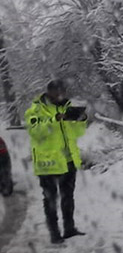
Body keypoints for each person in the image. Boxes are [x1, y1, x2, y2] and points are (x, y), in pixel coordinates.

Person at [25, 79, 87, 244]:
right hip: (48, 162)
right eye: (57, 92)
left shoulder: (67, 107)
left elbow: (78, 133)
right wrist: (55, 119)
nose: (61, 95)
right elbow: (35, 132)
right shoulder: (36, 109)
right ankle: (54, 233)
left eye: (63, 91)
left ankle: (69, 228)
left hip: (68, 159)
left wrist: (80, 119)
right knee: (50, 199)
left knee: (68, 197)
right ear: (49, 92)